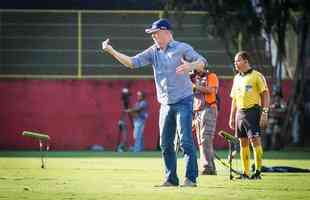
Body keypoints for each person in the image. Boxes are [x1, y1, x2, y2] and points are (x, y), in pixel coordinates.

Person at [102, 18, 207, 187]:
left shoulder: (183, 48)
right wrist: (111, 50)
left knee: (186, 141)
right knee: (165, 144)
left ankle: (190, 179)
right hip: (165, 104)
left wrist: (191, 66)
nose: (153, 37)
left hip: (184, 101)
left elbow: (202, 62)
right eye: (152, 34)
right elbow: (132, 63)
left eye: (155, 33)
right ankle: (171, 179)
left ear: (166, 33)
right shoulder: (153, 51)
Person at [229, 51, 270, 179]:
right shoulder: (236, 78)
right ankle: (246, 173)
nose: (235, 63)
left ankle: (257, 172)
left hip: (253, 111)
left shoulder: (257, 76)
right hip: (240, 114)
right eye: (235, 61)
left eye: (238, 60)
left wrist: (264, 112)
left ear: (246, 61)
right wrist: (232, 116)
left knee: (255, 140)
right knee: (243, 143)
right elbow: (234, 99)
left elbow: (265, 94)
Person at [191, 67, 219, 175]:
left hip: (208, 108)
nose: (194, 69)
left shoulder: (211, 76)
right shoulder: (194, 78)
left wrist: (194, 86)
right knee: (201, 140)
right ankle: (209, 167)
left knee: (205, 138)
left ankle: (208, 167)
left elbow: (211, 90)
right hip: (198, 110)